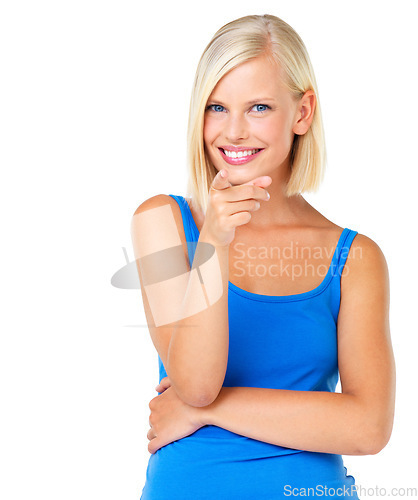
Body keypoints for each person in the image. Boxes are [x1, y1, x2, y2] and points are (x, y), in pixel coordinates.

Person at [130, 13, 396, 499]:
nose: (232, 131)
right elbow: (195, 384)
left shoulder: (355, 257)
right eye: (216, 107)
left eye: (257, 107)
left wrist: (209, 412)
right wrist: (214, 238)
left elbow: (368, 427)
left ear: (302, 112)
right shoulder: (162, 224)